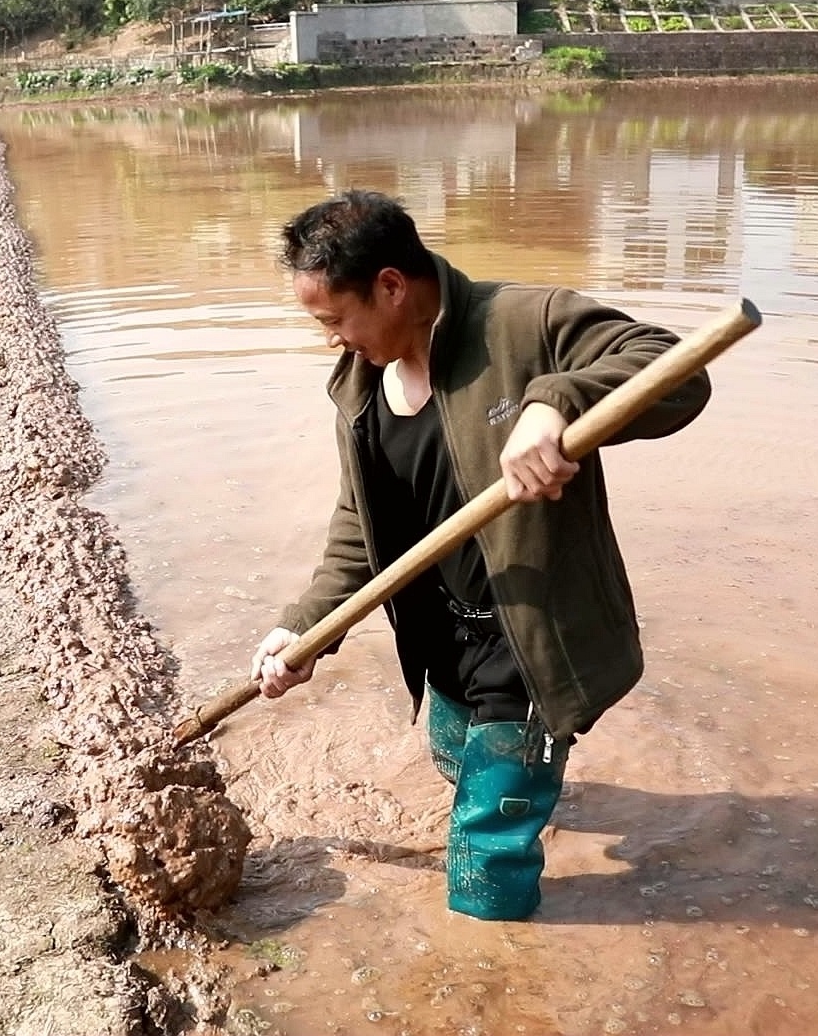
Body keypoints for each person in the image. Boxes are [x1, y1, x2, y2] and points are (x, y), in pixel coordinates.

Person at [249, 190, 713, 922]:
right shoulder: (361, 386)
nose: (332, 339)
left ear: (391, 285)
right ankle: (528, 780)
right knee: (452, 762)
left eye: (335, 320)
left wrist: (556, 401)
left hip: (526, 643)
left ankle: (492, 967)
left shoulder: (524, 322)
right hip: (442, 637)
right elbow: (359, 526)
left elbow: (678, 371)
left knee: (483, 874)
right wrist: (306, 626)